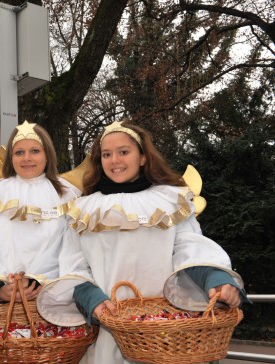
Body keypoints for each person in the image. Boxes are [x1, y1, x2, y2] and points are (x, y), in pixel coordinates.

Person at [36, 120, 245, 364]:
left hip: (169, 333)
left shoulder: (170, 200)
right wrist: (91, 299)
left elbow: (189, 247)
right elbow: (73, 265)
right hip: (110, 331)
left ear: (143, 157)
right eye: (107, 154)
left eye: (124, 152)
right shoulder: (83, 210)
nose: (114, 160)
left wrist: (216, 280)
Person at [0, 121, 81, 320]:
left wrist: (36, 283)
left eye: (35, 151)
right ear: (11, 157)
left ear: (47, 154)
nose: (26, 158)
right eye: (19, 152)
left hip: (51, 302)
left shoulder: (67, 196)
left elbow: (73, 251)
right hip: (0, 305)